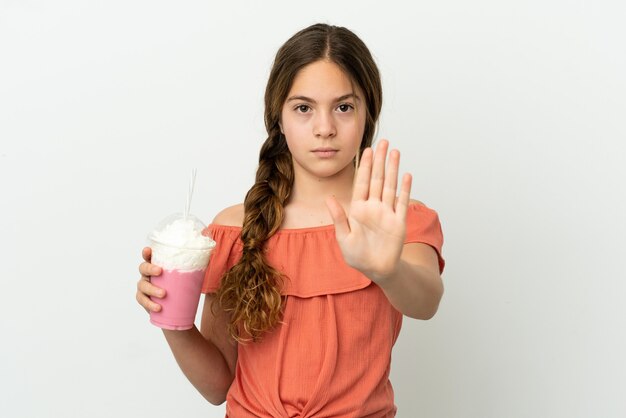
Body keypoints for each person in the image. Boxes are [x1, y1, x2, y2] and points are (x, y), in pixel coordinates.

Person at [136, 23, 445, 418]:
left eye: (344, 107)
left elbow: (426, 301)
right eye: (303, 108)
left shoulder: (394, 218)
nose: (325, 128)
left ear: (369, 114)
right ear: (278, 118)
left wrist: (386, 271)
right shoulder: (234, 231)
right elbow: (218, 387)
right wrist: (171, 319)